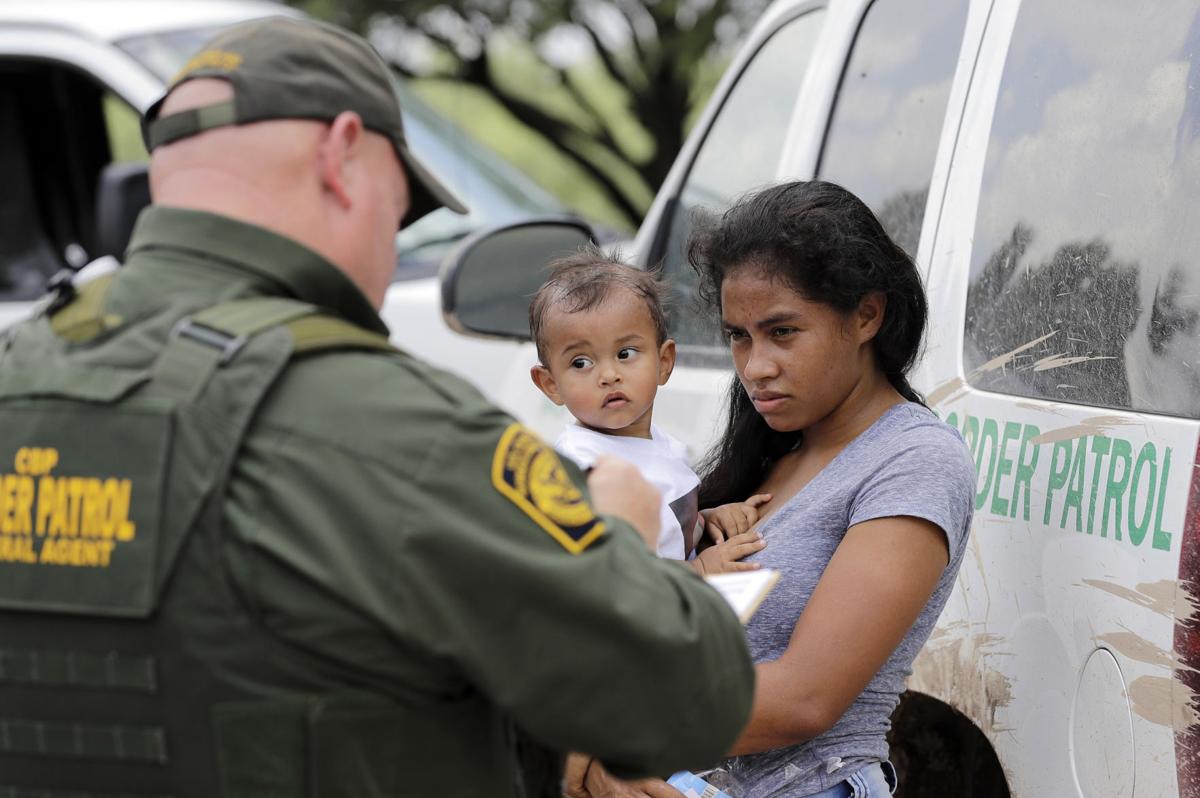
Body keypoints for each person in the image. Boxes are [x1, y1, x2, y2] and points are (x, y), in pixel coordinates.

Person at [0, 17, 755, 798]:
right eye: (397, 214)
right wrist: (621, 546)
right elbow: (692, 699)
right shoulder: (390, 425)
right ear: (342, 156)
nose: (390, 255)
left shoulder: (16, 374)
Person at [578, 180, 975, 797]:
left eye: (783, 332)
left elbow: (804, 699)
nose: (755, 366)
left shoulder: (913, 459)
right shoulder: (767, 452)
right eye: (739, 335)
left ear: (867, 315)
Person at [528, 248, 770, 575]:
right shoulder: (586, 469)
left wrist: (705, 520)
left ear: (664, 362)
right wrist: (699, 569)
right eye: (580, 362)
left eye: (625, 353)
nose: (608, 375)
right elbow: (617, 575)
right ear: (550, 384)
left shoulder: (658, 444)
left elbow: (664, 528)